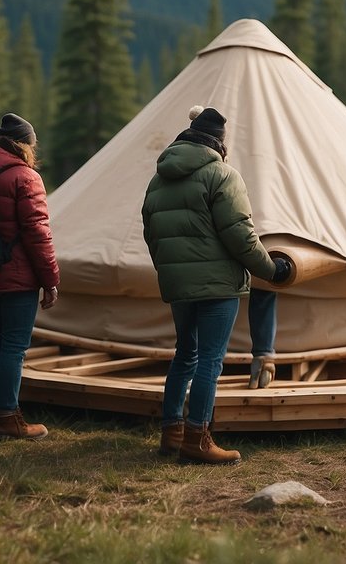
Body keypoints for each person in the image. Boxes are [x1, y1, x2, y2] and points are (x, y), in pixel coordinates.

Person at [142, 105, 291, 465]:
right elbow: (241, 236)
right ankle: (198, 438)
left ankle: (171, 433)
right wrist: (272, 270)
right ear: (218, 144)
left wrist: (173, 271)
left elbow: (151, 233)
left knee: (185, 355)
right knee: (210, 361)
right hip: (217, 286)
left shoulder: (159, 178)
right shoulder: (222, 176)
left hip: (178, 284)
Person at [0, 113, 59, 441]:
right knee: (14, 347)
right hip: (17, 275)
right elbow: (37, 232)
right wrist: (50, 279)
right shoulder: (24, 176)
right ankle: (8, 416)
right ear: (25, 145)